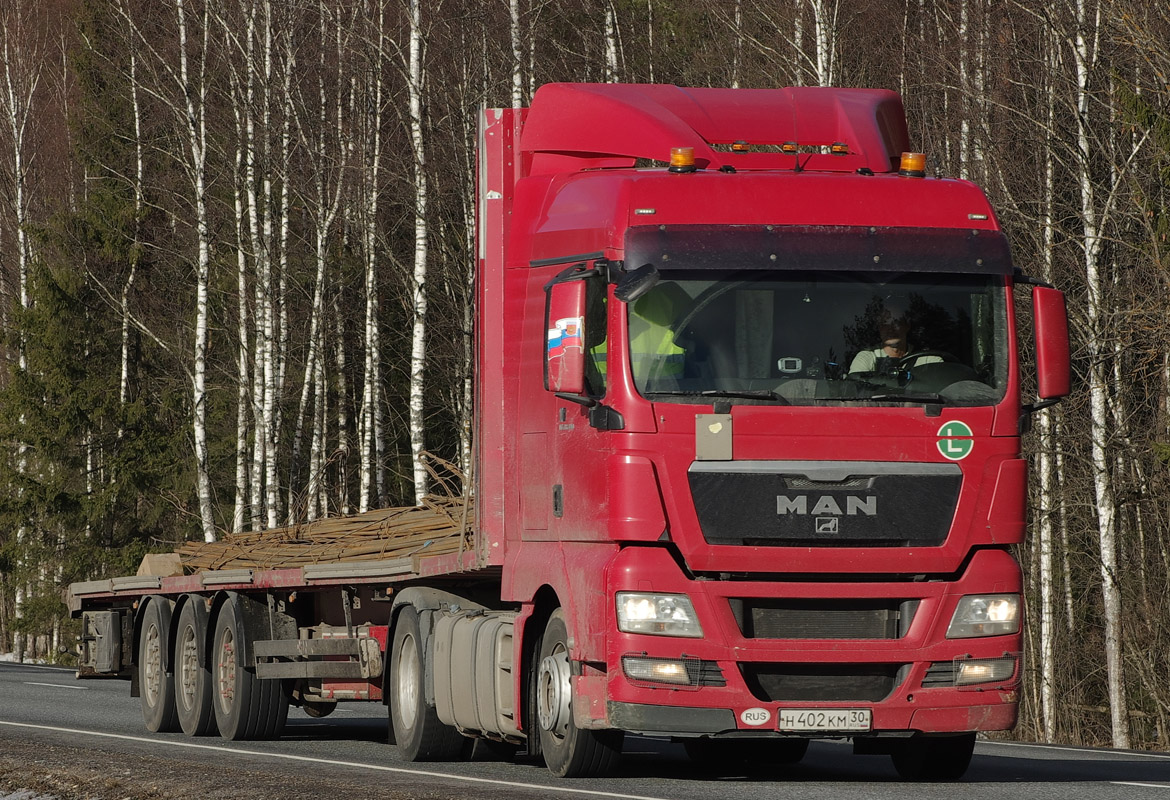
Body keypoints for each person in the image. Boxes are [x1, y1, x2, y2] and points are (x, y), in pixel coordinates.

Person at [848, 311, 940, 374]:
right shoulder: (866, 358)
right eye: (885, 324)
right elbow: (855, 393)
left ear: (907, 326)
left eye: (896, 322)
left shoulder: (927, 359)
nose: (890, 329)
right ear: (879, 328)